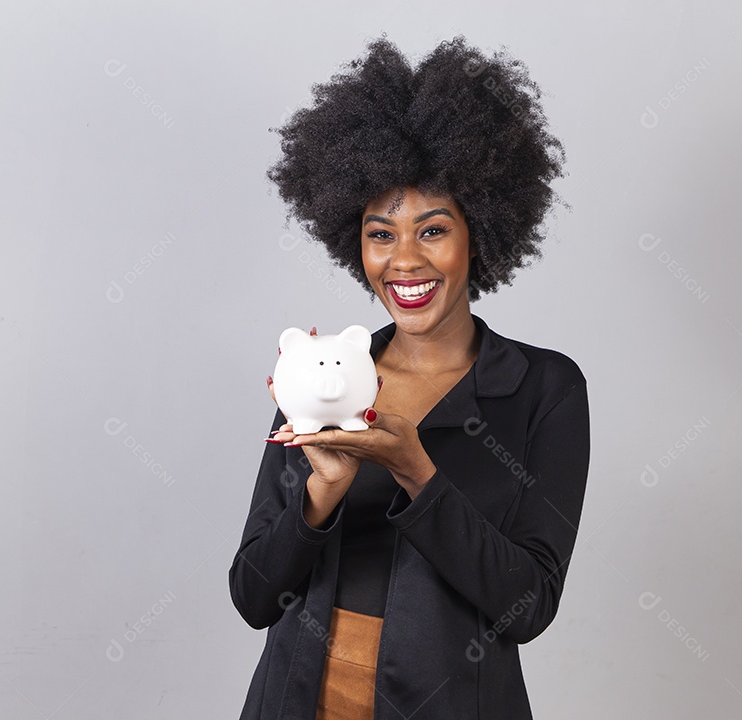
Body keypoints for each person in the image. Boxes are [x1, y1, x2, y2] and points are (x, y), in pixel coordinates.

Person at [230, 34, 590, 720]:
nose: (403, 262)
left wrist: (417, 473)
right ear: (352, 240)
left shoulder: (544, 388)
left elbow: (528, 606)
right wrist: (322, 491)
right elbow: (253, 596)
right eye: (379, 233)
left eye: (432, 230)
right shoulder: (324, 378)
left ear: (478, 233)